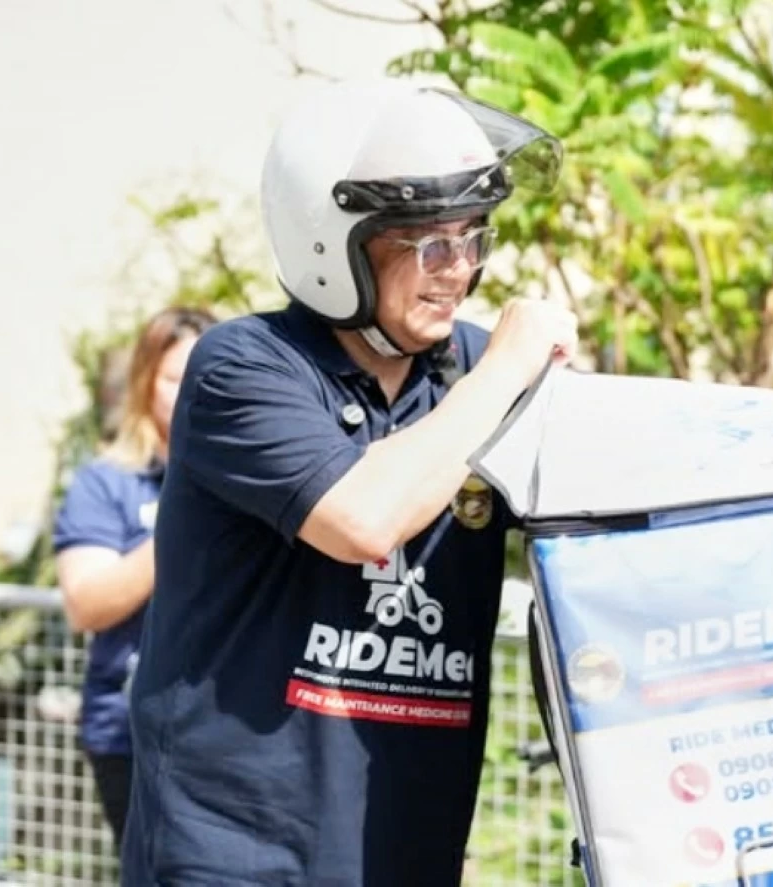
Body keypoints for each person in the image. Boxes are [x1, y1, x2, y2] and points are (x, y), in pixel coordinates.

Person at [119, 78, 579, 886]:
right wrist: (510, 364)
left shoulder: (472, 375)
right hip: (236, 859)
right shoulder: (245, 367)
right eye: (430, 244)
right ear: (332, 242)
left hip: (401, 857)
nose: (459, 271)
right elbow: (364, 516)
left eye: (474, 238)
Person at [52, 305, 217, 848]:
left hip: (227, 731)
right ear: (147, 382)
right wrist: (188, 514)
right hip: (129, 733)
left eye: (204, 377)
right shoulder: (106, 483)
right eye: (175, 379)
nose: (189, 393)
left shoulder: (256, 475)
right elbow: (86, 604)